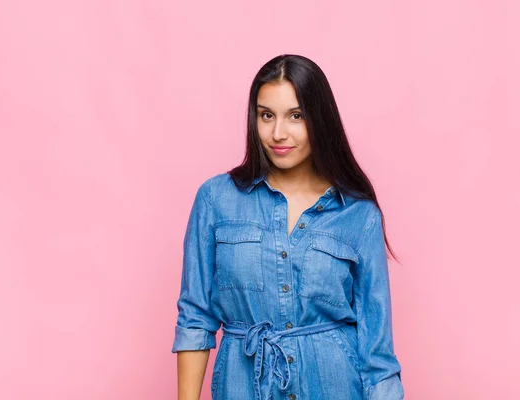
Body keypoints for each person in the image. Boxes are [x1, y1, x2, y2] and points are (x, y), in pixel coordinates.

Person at [172, 54, 404, 400]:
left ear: (319, 120)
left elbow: (377, 352)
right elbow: (195, 319)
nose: (278, 133)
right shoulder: (215, 199)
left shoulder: (358, 213)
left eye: (296, 116)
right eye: (267, 115)